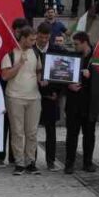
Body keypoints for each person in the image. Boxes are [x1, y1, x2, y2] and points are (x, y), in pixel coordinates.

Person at [0, 24, 42, 175]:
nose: (33, 42)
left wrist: (41, 80)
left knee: (32, 133)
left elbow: (38, 71)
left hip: (34, 98)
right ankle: (19, 163)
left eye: (34, 39)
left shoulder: (36, 52)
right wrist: (20, 63)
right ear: (23, 38)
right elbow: (5, 76)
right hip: (14, 97)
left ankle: (30, 162)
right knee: (17, 132)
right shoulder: (9, 54)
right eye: (31, 39)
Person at [63, 31, 99, 173]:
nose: (75, 46)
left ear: (85, 42)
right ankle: (69, 163)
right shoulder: (73, 56)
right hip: (74, 103)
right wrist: (69, 86)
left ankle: (88, 162)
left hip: (90, 103)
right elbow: (63, 76)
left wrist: (91, 75)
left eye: (77, 44)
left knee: (89, 135)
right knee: (71, 135)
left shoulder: (97, 57)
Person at [36, 23, 64, 171]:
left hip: (51, 97)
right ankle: (31, 161)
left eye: (46, 38)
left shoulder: (57, 50)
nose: (43, 40)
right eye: (41, 37)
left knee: (51, 130)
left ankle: (51, 161)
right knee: (31, 131)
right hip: (33, 95)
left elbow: (62, 74)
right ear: (37, 34)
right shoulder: (31, 50)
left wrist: (56, 93)